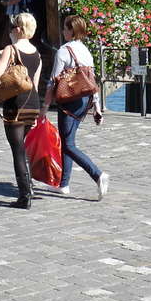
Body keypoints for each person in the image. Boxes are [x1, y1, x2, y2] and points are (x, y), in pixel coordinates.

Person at [43, 14, 108, 200]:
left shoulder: (63, 51)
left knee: (68, 144)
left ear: (72, 31)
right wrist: (96, 107)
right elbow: (91, 81)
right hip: (85, 100)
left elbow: (52, 81)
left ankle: (98, 175)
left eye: (65, 28)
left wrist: (45, 106)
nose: (63, 30)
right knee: (68, 141)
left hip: (69, 100)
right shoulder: (85, 51)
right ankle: (64, 184)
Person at [0, 12, 43, 209]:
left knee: (18, 150)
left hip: (15, 104)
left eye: (13, 27)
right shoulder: (36, 53)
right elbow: (35, 82)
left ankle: (24, 195)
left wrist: (0, 59)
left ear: (19, 29)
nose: (11, 30)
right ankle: (29, 187)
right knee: (22, 147)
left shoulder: (10, 49)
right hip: (33, 102)